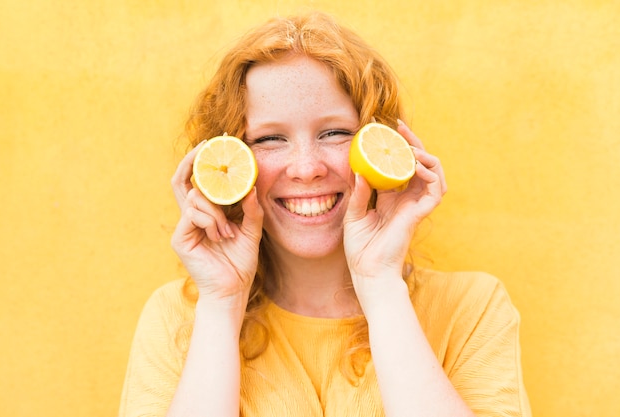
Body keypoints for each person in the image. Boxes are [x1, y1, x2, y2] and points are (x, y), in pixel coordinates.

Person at [119, 11, 532, 417]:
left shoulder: (471, 309)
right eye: (269, 138)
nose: (306, 167)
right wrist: (223, 302)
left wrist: (380, 285)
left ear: (379, 143)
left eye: (334, 132)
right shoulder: (178, 319)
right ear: (230, 159)